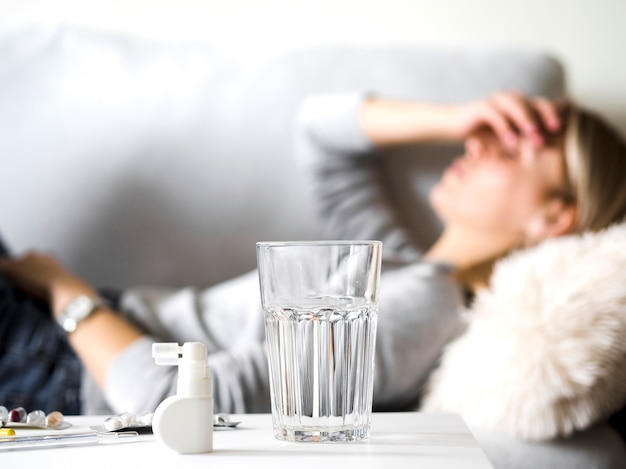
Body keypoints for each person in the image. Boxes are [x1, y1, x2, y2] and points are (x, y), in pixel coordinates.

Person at [1, 90, 625, 417]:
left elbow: (177, 402)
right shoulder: (399, 263)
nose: (482, 144)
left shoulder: (423, 309)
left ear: (553, 217)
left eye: (511, 151)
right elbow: (321, 131)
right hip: (75, 344)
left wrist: (65, 292)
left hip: (75, 376)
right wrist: (457, 115)